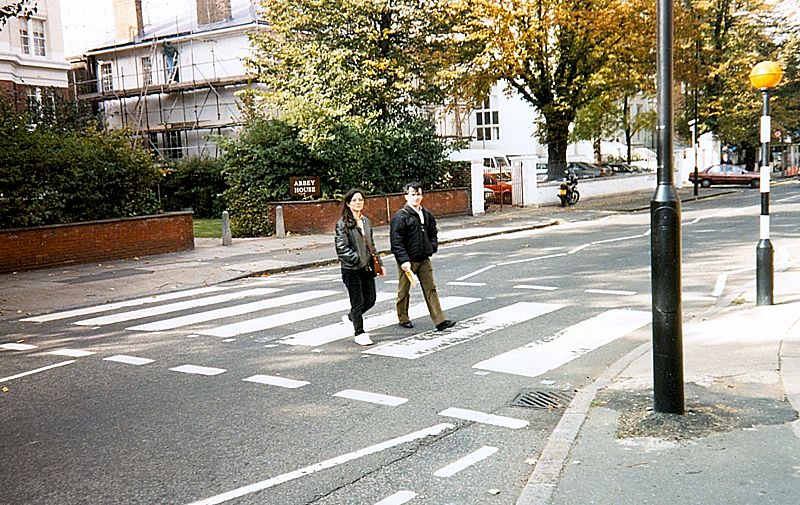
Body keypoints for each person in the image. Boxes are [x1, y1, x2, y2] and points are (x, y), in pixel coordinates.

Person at [390, 182, 456, 331]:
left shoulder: (426, 214)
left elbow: (433, 232)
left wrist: (432, 246)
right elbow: (396, 241)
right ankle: (403, 317)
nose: (416, 197)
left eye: (418, 194)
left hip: (424, 259)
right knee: (404, 291)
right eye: (412, 194)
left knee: (431, 289)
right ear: (406, 196)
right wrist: (403, 260)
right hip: (408, 261)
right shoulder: (401, 217)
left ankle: (440, 320)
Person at [335, 188, 385, 346]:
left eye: (361, 200)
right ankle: (359, 333)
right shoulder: (343, 224)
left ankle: (351, 318)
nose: (358, 203)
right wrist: (357, 259)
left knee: (370, 300)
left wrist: (378, 263)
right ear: (348, 203)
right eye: (355, 200)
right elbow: (341, 248)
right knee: (357, 302)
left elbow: (371, 245)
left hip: (367, 267)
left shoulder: (366, 221)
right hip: (351, 269)